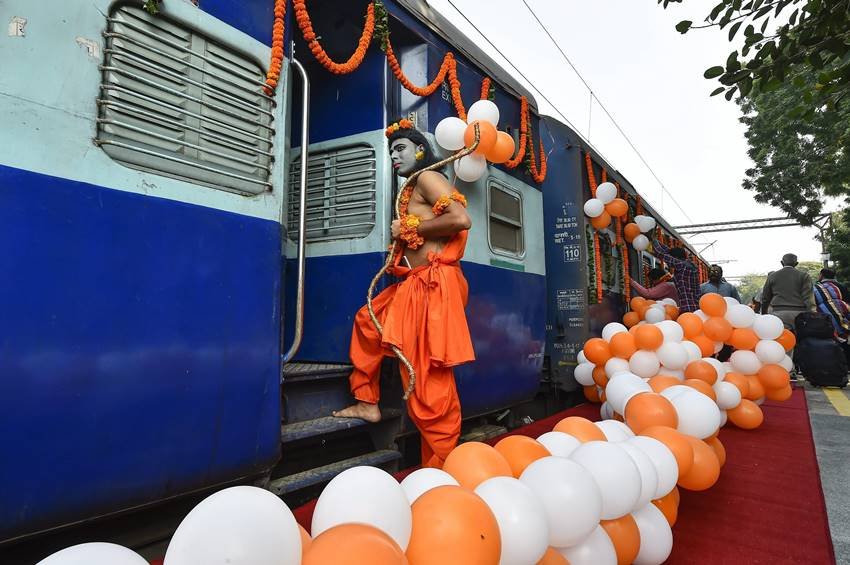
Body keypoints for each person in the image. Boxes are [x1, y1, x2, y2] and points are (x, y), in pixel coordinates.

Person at [332, 120, 474, 468]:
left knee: (428, 379)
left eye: (401, 149)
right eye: (391, 151)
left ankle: (441, 469)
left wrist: (411, 227)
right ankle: (368, 402)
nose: (394, 156)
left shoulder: (427, 177)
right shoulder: (411, 188)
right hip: (413, 284)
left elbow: (461, 218)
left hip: (434, 285)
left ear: (420, 151)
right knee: (369, 321)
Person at [759, 253, 816, 330]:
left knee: (782, 338)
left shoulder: (772, 276)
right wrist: (812, 315)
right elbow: (809, 298)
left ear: (782, 263)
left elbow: (765, 298)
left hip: (778, 313)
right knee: (800, 339)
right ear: (796, 264)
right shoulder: (804, 276)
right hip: (799, 313)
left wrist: (764, 313)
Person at [651, 240, 701, 313]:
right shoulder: (690, 265)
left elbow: (661, 253)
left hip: (687, 307)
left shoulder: (681, 265)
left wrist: (653, 240)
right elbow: (668, 252)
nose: (669, 264)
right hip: (696, 306)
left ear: (676, 258)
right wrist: (658, 242)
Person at [814, 268, 850, 342]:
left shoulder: (818, 288)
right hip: (845, 317)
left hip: (828, 319)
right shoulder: (841, 286)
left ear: (821, 275)